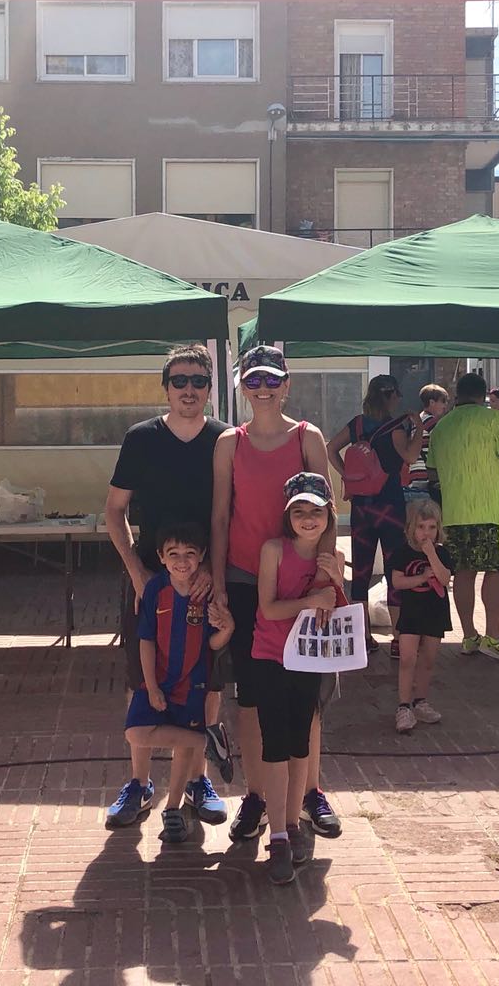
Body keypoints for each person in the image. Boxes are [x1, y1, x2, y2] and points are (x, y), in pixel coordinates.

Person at [211, 345, 342, 843]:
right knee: (251, 697)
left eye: (272, 380)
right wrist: (219, 583)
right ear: (242, 387)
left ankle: (309, 792)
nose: (263, 389)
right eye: (254, 380)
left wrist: (323, 581)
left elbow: (328, 513)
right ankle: (257, 796)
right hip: (246, 581)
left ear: (286, 384)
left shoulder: (308, 436)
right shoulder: (230, 442)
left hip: (302, 585)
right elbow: (220, 516)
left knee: (307, 694)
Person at [105, 344, 230, 828]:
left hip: (205, 581)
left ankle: (199, 780)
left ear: (209, 389)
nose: (189, 390)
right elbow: (114, 510)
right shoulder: (141, 439)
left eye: (198, 381)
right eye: (180, 381)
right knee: (142, 678)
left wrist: (214, 571)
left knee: (207, 681)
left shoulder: (224, 440)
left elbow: (229, 515)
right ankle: (139, 784)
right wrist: (138, 573)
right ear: (166, 387)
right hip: (151, 581)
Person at [251, 472, 347, 885]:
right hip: (272, 656)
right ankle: (276, 835)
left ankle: (291, 825)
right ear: (287, 516)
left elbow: (338, 612)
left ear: (329, 514)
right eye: (299, 511)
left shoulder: (332, 556)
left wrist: (336, 580)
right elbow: (269, 609)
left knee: (300, 743)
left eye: (316, 511)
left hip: (309, 659)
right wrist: (311, 600)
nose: (308, 519)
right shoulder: (273, 550)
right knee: (274, 745)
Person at [121, 523, 236, 842]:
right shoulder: (155, 590)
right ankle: (207, 741)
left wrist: (227, 630)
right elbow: (146, 639)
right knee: (136, 732)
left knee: (184, 745)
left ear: (201, 556)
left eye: (190, 554)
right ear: (161, 556)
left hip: (192, 683)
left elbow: (212, 643)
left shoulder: (205, 593)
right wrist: (151, 686)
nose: (182, 561)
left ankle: (172, 809)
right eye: (173, 554)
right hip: (158, 680)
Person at [424, 372, 499, 663]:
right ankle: (493, 637)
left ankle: (469, 636)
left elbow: (432, 472)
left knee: (463, 574)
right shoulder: (496, 420)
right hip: (491, 512)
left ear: (457, 394)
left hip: (454, 513)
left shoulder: (442, 426)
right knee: (496, 572)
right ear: (483, 395)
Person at [326, 375, 421, 650]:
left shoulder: (357, 424)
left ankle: (362, 637)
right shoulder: (396, 426)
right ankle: (398, 638)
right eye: (397, 394)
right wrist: (417, 428)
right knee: (394, 569)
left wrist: (347, 475)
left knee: (361, 571)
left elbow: (331, 448)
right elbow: (411, 456)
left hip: (362, 507)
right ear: (391, 396)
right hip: (390, 505)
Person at [387, 497, 453, 733]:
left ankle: (421, 701)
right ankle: (404, 706)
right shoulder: (402, 553)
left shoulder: (442, 554)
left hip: (435, 612)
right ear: (410, 528)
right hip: (411, 613)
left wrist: (432, 555)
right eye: (421, 527)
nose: (426, 532)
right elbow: (397, 582)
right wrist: (421, 578)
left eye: (432, 527)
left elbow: (445, 578)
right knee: (407, 659)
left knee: (428, 659)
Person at [405, 383, 451, 506]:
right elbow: (445, 438)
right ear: (431, 402)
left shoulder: (419, 419)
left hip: (416, 475)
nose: (445, 406)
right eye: (443, 401)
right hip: (425, 475)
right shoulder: (429, 421)